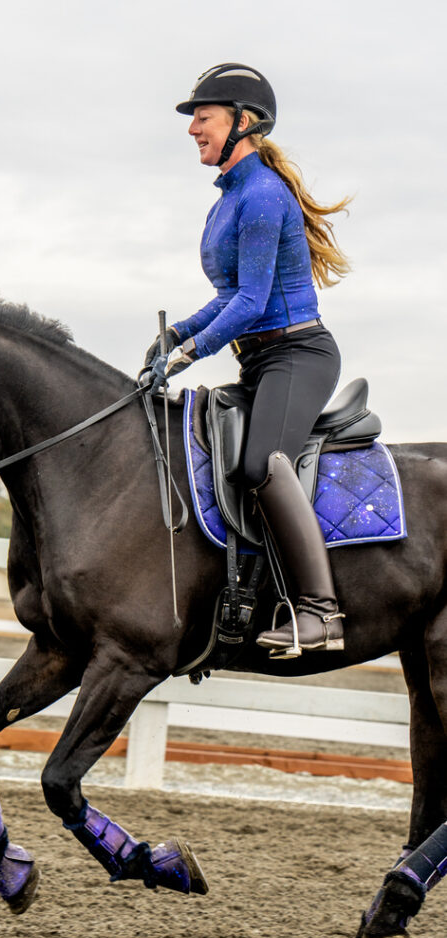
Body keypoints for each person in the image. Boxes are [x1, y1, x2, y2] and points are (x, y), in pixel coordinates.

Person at [152, 62, 352, 657]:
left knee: (262, 464)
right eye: (193, 119)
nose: (193, 129)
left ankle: (320, 613)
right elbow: (225, 297)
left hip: (298, 355)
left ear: (244, 121)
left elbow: (252, 302)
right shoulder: (229, 198)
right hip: (259, 361)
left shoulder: (263, 195)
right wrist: (175, 334)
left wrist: (189, 350)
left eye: (203, 118)